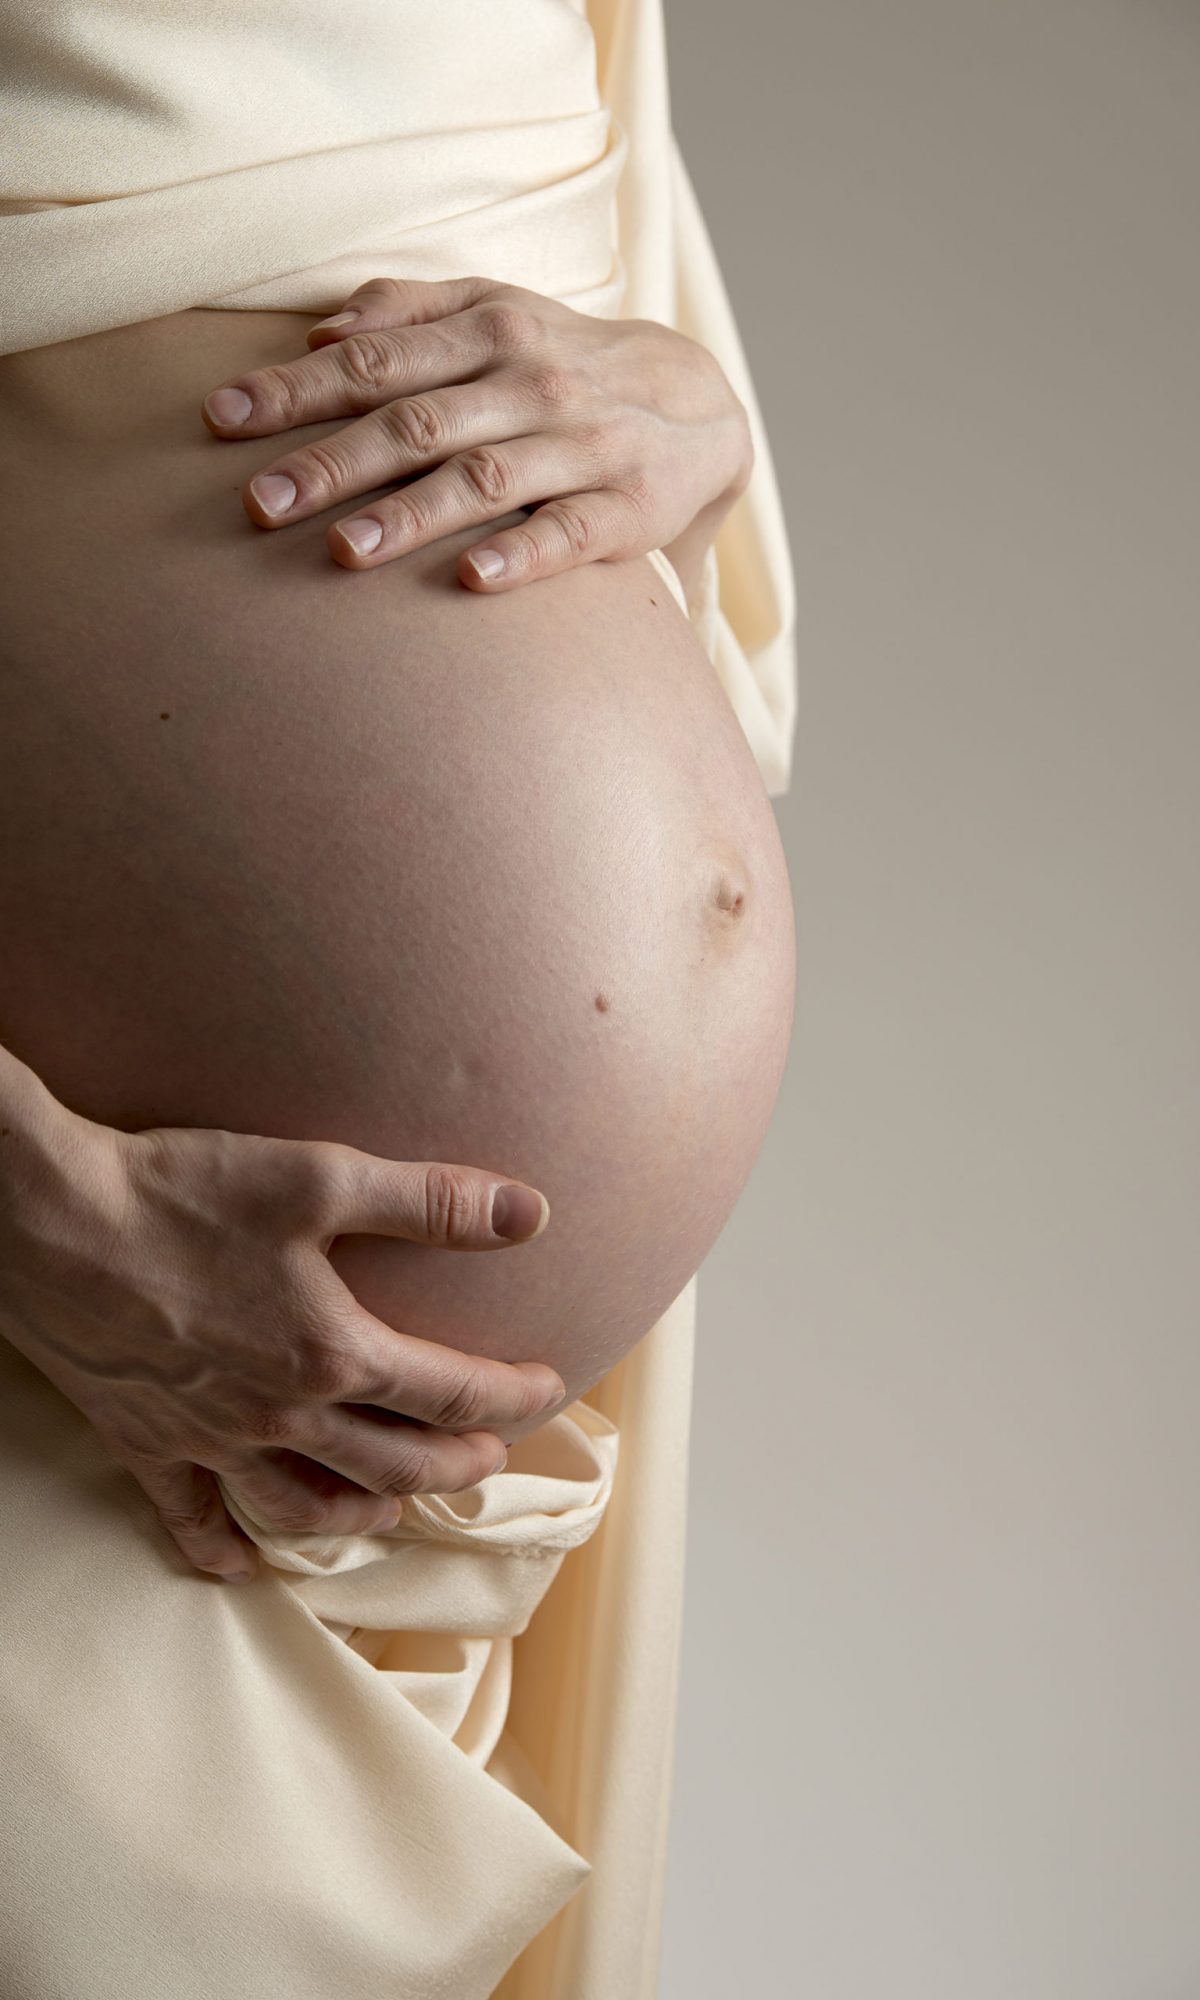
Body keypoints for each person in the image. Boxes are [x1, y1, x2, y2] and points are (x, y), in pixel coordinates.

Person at [0, 1, 798, 1992]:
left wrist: (696, 408)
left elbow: (537, 162)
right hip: (79, 1317)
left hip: (413, 1473)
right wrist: (25, 1206)